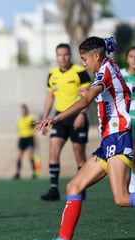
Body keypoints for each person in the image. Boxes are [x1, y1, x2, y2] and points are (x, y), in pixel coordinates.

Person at [32, 36, 135, 240]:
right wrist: (88, 92)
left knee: (121, 198)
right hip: (108, 143)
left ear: (97, 56)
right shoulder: (107, 67)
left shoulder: (105, 70)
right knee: (74, 187)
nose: (83, 64)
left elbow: (87, 100)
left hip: (119, 139)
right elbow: (104, 91)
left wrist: (55, 118)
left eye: (84, 59)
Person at [40, 43, 91, 201]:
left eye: (66, 54)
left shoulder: (80, 71)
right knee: (53, 150)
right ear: (56, 56)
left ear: (70, 55)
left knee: (79, 155)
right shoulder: (52, 74)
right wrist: (45, 118)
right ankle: (54, 189)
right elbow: (50, 96)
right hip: (60, 118)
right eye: (60, 55)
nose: (63, 58)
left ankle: (81, 188)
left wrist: (82, 114)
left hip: (77, 116)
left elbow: (87, 95)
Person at [121, 47, 135, 193]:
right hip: (128, 120)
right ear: (127, 59)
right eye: (131, 56)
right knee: (133, 152)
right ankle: (131, 185)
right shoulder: (121, 75)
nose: (134, 59)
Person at [13, 104, 37, 179]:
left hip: (29, 138)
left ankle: (34, 173)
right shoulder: (19, 120)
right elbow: (19, 131)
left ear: (26, 110)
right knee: (19, 156)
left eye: (24, 110)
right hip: (22, 139)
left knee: (30, 156)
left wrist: (35, 140)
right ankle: (18, 173)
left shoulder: (31, 118)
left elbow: (34, 130)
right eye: (21, 110)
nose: (22, 112)